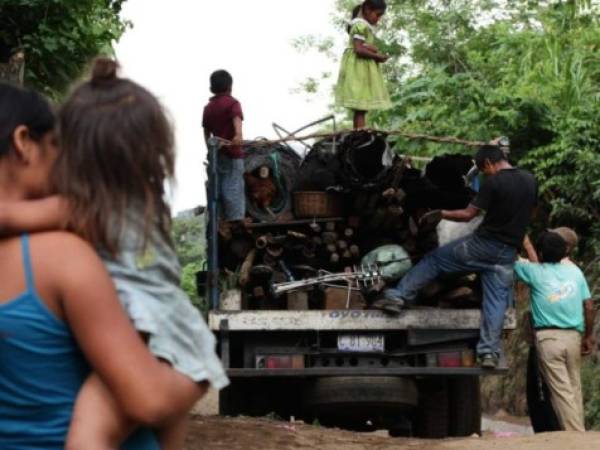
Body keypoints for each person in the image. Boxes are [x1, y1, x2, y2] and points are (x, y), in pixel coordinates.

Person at [0, 59, 229, 450]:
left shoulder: (81, 211)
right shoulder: (109, 222)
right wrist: (195, 379)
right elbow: (150, 400)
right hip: (166, 329)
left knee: (97, 426)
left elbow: (8, 215)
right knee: (128, 425)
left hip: (150, 323)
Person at [373, 145, 538, 369]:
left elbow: (469, 214)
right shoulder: (530, 180)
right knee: (496, 301)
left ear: (489, 163)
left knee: (434, 259)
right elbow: (529, 214)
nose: (484, 174)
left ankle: (398, 296)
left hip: (481, 246)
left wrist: (441, 213)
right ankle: (489, 352)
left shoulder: (494, 182)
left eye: (483, 170)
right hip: (506, 252)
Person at [516, 231, 595, 431]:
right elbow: (589, 306)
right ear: (564, 251)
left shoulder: (534, 272)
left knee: (561, 391)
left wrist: (522, 240)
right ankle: (580, 431)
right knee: (574, 387)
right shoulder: (575, 272)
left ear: (541, 253)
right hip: (574, 337)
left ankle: (576, 436)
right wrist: (588, 336)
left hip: (548, 339)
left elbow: (510, 260)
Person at [335, 0, 391, 129]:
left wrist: (372, 48)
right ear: (367, 10)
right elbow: (358, 49)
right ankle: (360, 133)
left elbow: (362, 45)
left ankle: (359, 132)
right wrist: (377, 56)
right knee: (360, 106)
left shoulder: (363, 27)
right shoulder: (360, 25)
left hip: (361, 68)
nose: (378, 19)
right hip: (358, 69)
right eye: (377, 15)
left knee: (362, 106)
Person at [202, 69, 245, 225]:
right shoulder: (233, 103)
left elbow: (206, 132)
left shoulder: (208, 108)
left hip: (216, 155)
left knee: (218, 188)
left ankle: (220, 220)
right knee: (233, 187)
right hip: (233, 154)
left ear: (212, 88)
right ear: (230, 87)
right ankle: (235, 222)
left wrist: (209, 148)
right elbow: (237, 118)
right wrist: (238, 136)